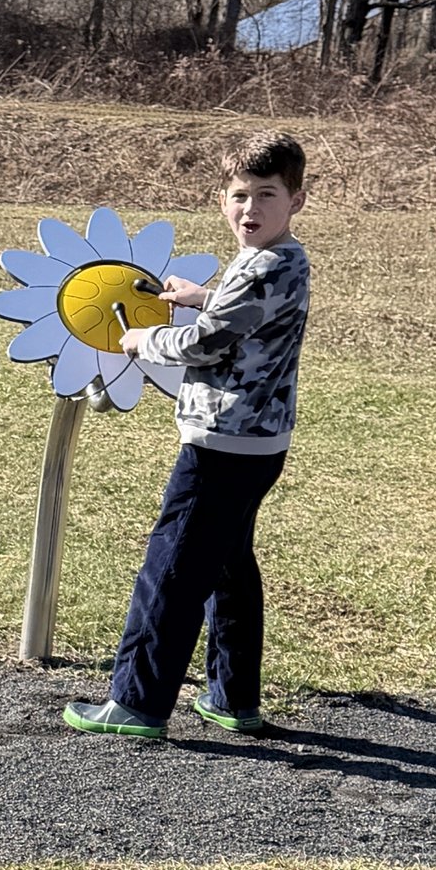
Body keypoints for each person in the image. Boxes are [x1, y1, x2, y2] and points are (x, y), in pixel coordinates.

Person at [63, 130, 310, 745]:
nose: (250, 208)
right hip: (259, 442)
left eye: (267, 195)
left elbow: (208, 342)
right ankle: (232, 697)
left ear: (297, 200)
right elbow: (245, 316)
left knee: (171, 565)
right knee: (227, 565)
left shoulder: (262, 266)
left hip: (222, 442)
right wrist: (205, 297)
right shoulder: (281, 260)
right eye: (239, 195)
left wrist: (141, 339)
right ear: (221, 200)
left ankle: (137, 703)